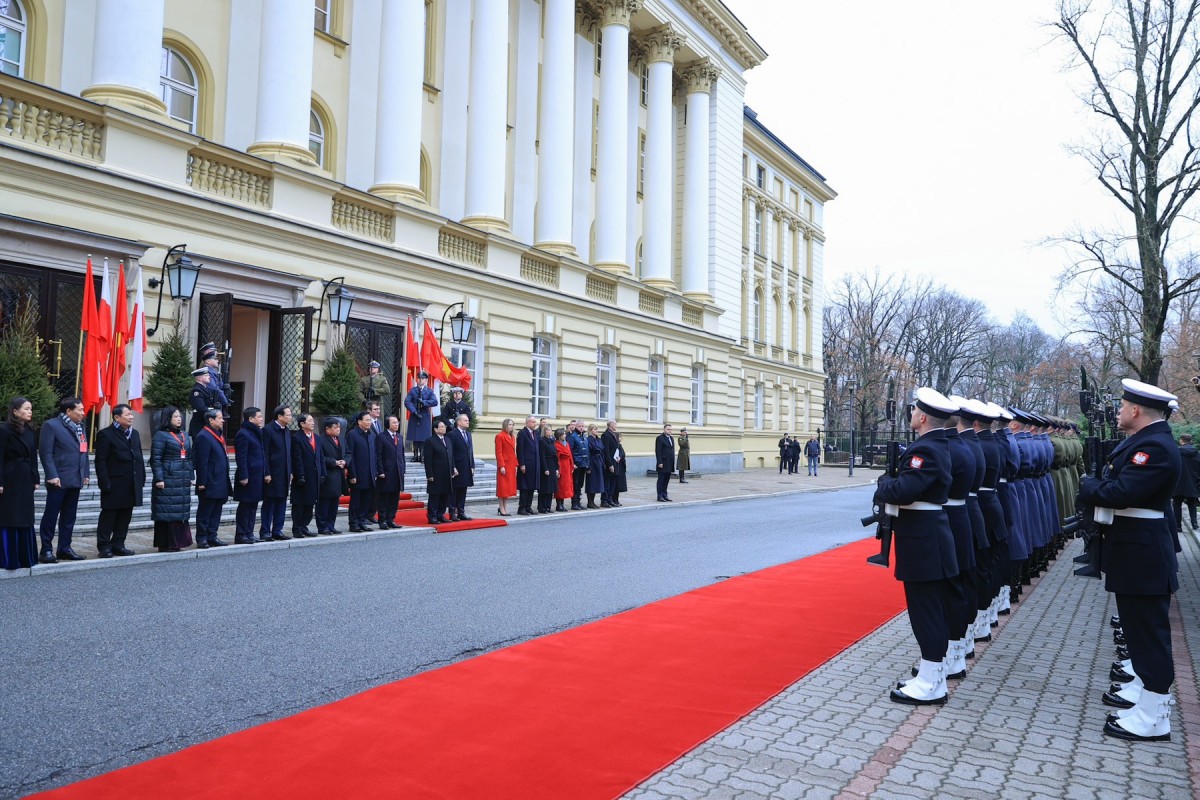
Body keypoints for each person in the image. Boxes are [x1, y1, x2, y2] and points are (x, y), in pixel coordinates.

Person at [1081, 378, 1182, 742]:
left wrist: (1089, 487)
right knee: (1140, 632)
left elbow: (1121, 493)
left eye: (1123, 406)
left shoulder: (1153, 447)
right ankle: (1146, 701)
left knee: (1148, 635)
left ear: (1136, 410)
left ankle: (1154, 717)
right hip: (1135, 552)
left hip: (1143, 555)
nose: (1119, 411)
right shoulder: (1146, 442)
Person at [874, 387, 959, 705]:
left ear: (922, 417)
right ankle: (929, 675)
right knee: (928, 611)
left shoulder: (926, 450)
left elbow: (904, 490)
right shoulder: (934, 445)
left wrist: (884, 484)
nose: (911, 414)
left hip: (924, 543)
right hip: (926, 540)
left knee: (926, 613)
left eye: (913, 410)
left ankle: (933, 682)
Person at [37, 396, 89, 562]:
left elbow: (84, 451)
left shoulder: (80, 427)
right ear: (68, 411)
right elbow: (46, 453)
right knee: (51, 516)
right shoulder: (51, 425)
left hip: (75, 478)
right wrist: (52, 474)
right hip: (58, 479)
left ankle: (65, 548)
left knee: (69, 516)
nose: (83, 412)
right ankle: (46, 549)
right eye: (80, 409)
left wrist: (86, 473)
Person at [94, 403, 146, 558]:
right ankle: (104, 545)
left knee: (125, 514)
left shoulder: (134, 434)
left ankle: (118, 543)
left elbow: (139, 457)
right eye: (128, 414)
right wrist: (104, 482)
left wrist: (141, 478)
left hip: (132, 482)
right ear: (117, 417)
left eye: (131, 414)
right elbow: (101, 461)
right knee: (109, 515)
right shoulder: (106, 434)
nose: (131, 417)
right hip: (115, 482)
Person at [0, 397, 40, 569]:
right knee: (10, 514)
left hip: (25, 478)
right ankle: (9, 557)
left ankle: (25, 557)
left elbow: (33, 457)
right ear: (15, 411)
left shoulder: (30, 430)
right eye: (26, 408)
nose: (29, 412)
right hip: (10, 477)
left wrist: (36, 477)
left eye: (31, 408)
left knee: (25, 515)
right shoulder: (4, 430)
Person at [150, 406, 194, 553]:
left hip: (182, 477)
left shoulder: (185, 435)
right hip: (168, 477)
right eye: (175, 417)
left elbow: (189, 457)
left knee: (180, 511)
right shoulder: (160, 436)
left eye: (179, 416)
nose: (179, 419)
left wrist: (191, 476)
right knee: (166, 511)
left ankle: (179, 542)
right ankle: (166, 543)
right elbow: (155, 459)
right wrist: (159, 478)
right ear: (167, 419)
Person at [192, 409, 231, 548]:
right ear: (211, 420)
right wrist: (201, 481)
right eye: (220, 418)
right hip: (209, 480)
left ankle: (212, 535)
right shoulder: (204, 436)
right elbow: (201, 461)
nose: (223, 420)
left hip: (220, 479)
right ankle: (202, 537)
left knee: (216, 510)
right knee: (205, 511)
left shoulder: (218, 434)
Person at [233, 407, 266, 545]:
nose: (261, 419)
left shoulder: (256, 433)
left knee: (253, 506)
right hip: (248, 476)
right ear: (250, 419)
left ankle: (249, 532)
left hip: (257, 476)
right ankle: (241, 534)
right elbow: (241, 457)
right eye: (259, 416)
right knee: (245, 507)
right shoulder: (243, 434)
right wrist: (243, 476)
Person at [261, 404, 293, 541]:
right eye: (288, 415)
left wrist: (290, 471)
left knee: (281, 502)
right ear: (279, 416)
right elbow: (265, 453)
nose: (291, 417)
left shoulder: (286, 430)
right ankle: (265, 531)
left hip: (284, 472)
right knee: (270, 503)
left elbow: (288, 453)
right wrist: (266, 472)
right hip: (273, 473)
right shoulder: (268, 430)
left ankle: (277, 530)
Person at [289, 413, 325, 538]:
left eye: (312, 420)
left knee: (310, 503)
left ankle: (304, 526)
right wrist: (300, 475)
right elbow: (297, 458)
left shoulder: (317, 437)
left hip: (315, 476)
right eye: (309, 421)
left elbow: (320, 457)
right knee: (299, 503)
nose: (312, 422)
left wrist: (323, 472)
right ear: (302, 424)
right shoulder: (297, 438)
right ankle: (297, 528)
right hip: (303, 476)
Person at [346, 410, 379, 532]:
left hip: (370, 473)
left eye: (370, 420)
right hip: (358, 473)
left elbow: (375, 455)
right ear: (359, 421)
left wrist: (375, 471)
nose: (369, 422)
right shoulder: (352, 434)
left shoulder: (371, 434)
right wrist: (352, 474)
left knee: (367, 499)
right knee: (356, 500)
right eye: (367, 420)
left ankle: (362, 520)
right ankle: (353, 523)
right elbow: (350, 456)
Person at [317, 418, 347, 535]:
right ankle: (322, 526)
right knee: (324, 503)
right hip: (328, 475)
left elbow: (348, 453)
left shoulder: (341, 439)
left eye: (339, 427)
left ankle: (331, 525)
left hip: (339, 475)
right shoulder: (321, 440)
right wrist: (334, 462)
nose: (338, 429)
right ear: (327, 429)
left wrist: (345, 461)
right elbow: (320, 457)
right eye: (335, 427)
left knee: (334, 503)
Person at [375, 415, 406, 529]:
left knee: (394, 498)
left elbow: (401, 455)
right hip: (386, 472)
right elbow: (378, 455)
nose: (396, 424)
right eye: (394, 423)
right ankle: (382, 520)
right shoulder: (381, 437)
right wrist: (380, 471)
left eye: (397, 422)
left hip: (398, 472)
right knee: (384, 498)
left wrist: (403, 469)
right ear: (388, 424)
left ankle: (391, 519)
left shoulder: (399, 437)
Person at [423, 419, 455, 524]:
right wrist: (429, 474)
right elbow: (428, 459)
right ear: (435, 429)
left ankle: (440, 514)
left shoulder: (448, 440)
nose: (444, 428)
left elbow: (451, 456)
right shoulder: (430, 441)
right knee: (435, 496)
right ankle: (432, 515)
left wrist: (453, 468)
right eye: (441, 427)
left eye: (444, 426)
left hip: (447, 473)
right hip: (436, 473)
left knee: (445, 495)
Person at [404, 371, 438, 463]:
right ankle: (415, 456)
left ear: (426, 380)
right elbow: (407, 401)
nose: (420, 380)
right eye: (419, 378)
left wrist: (424, 402)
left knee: (423, 438)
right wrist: (414, 411)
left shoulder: (429, 391)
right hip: (415, 415)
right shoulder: (413, 390)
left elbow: (435, 402)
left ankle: (422, 456)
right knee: (415, 437)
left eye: (422, 378)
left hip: (424, 416)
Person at [448, 412, 475, 521]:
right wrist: (453, 467)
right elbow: (450, 452)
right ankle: (452, 512)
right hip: (457, 467)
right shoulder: (452, 434)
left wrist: (472, 465)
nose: (468, 422)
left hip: (466, 466)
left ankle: (461, 511)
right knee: (454, 490)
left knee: (463, 490)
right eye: (465, 420)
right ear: (458, 422)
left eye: (468, 420)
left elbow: (470, 451)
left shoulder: (468, 434)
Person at [1171, 433, 1200, 534]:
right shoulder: (1197, 453)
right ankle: (1194, 523)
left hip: (1178, 483)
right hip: (1192, 483)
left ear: (1181, 441)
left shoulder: (1176, 452)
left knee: (1176, 504)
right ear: (1191, 441)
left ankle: (1178, 526)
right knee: (1192, 504)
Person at [198, 342, 232, 417]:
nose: (217, 360)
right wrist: (224, 400)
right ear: (208, 361)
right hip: (212, 405)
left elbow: (219, 386)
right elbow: (214, 388)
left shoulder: (213, 371)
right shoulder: (207, 371)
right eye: (215, 358)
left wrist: (225, 387)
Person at [515, 415, 540, 515]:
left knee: (532, 487)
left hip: (535, 464)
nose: (535, 424)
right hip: (526, 464)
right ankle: (522, 508)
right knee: (525, 487)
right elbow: (520, 449)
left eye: (535, 422)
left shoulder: (536, 433)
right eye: (533, 422)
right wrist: (522, 464)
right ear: (527, 423)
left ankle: (528, 507)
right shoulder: (522, 433)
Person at [187, 367, 220, 438]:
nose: (209, 377)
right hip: (200, 423)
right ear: (199, 378)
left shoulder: (206, 389)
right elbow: (201, 408)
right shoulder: (197, 391)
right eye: (206, 375)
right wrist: (214, 411)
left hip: (206, 421)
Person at [494, 418, 517, 516]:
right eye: (509, 425)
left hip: (511, 464)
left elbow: (513, 452)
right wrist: (501, 465)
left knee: (508, 488)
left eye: (512, 424)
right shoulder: (500, 436)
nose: (511, 426)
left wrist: (516, 464)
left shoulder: (512, 437)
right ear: (505, 425)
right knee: (502, 488)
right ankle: (501, 507)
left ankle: (504, 507)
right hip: (504, 464)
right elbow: (498, 452)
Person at [567, 420, 589, 510]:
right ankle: (574, 503)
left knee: (580, 484)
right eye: (579, 426)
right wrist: (573, 463)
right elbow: (570, 451)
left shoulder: (584, 436)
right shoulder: (573, 436)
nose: (581, 428)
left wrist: (587, 463)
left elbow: (587, 450)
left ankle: (578, 502)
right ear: (576, 426)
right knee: (575, 484)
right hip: (577, 464)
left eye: (583, 426)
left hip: (583, 463)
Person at [537, 422, 558, 513]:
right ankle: (542, 507)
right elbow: (542, 455)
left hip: (552, 464)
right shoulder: (542, 441)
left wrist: (557, 468)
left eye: (551, 430)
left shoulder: (551, 441)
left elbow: (555, 455)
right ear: (544, 431)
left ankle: (548, 506)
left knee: (551, 488)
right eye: (548, 430)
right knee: (545, 488)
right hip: (546, 465)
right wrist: (545, 468)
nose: (550, 431)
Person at [585, 424, 606, 508]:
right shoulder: (589, 440)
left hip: (598, 461)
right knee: (591, 482)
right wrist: (588, 466)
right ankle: (590, 502)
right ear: (590, 430)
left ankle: (592, 501)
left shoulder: (598, 439)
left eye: (597, 429)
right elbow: (588, 453)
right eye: (594, 429)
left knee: (597, 482)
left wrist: (603, 463)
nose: (596, 431)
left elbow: (602, 451)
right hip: (592, 462)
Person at [554, 428, 574, 512]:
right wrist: (557, 468)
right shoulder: (556, 444)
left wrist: (572, 465)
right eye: (563, 434)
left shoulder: (567, 444)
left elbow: (570, 455)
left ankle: (562, 503)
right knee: (560, 485)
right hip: (561, 465)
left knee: (566, 485)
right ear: (559, 436)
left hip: (567, 466)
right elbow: (556, 457)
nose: (565, 436)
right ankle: (558, 504)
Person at [655, 423, 676, 502]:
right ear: (664, 429)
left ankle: (665, 494)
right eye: (668, 429)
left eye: (671, 429)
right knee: (661, 479)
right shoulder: (660, 438)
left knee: (667, 479)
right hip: (663, 462)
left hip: (669, 462)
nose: (670, 431)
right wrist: (659, 462)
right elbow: (658, 451)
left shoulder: (671, 438)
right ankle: (659, 495)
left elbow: (672, 450)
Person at [602, 421, 620, 507]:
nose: (616, 425)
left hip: (615, 461)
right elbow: (606, 451)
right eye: (615, 424)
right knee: (607, 482)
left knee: (613, 482)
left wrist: (618, 457)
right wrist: (609, 464)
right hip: (609, 462)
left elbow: (617, 448)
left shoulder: (614, 434)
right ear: (611, 425)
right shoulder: (605, 435)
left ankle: (610, 499)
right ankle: (604, 500)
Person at [610, 432, 629, 506]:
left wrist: (620, 457)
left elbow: (623, 453)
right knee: (615, 484)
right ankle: (613, 499)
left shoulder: (619, 445)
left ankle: (616, 499)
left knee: (618, 485)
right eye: (620, 437)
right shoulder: (615, 445)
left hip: (620, 467)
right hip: (615, 466)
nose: (621, 438)